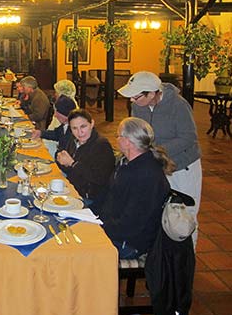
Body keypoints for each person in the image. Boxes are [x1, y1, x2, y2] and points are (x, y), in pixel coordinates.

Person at [118, 71, 202, 246]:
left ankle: (187, 259)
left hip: (183, 166)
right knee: (159, 211)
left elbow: (189, 138)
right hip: (157, 165)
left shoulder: (178, 105)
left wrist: (157, 150)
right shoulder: (138, 106)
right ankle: (161, 255)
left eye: (136, 96)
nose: (132, 100)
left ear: (152, 93)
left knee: (185, 215)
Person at [93, 117, 173, 259]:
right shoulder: (126, 162)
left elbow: (131, 224)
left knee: (79, 251)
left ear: (128, 142)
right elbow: (108, 193)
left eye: (118, 135)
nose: (116, 139)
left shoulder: (147, 175)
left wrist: (99, 227)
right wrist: (88, 213)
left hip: (131, 243)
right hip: (115, 227)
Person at [56, 109, 115, 201]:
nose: (80, 132)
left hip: (89, 198)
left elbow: (100, 179)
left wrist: (72, 163)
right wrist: (61, 159)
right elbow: (69, 168)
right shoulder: (73, 140)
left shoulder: (101, 146)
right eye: (74, 128)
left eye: (83, 126)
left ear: (92, 124)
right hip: (71, 188)